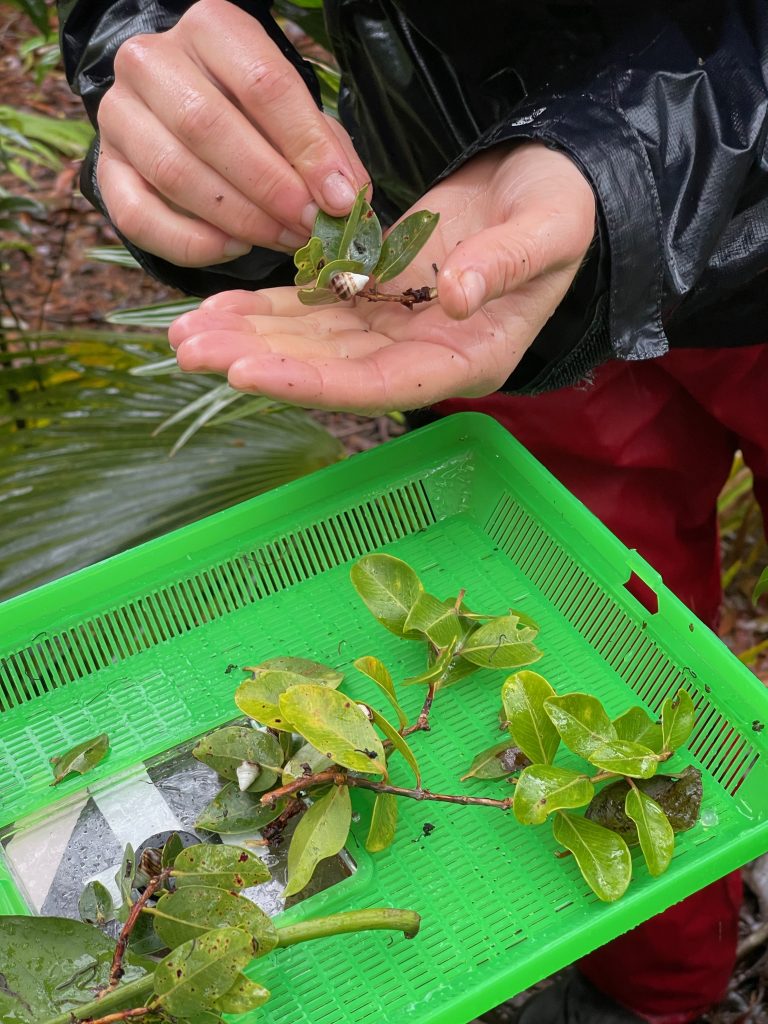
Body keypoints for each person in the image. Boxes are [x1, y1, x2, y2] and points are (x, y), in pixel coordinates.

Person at [57, 1, 768, 1020]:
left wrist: (616, 156)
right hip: (483, 257)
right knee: (590, 654)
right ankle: (655, 993)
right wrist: (173, 83)